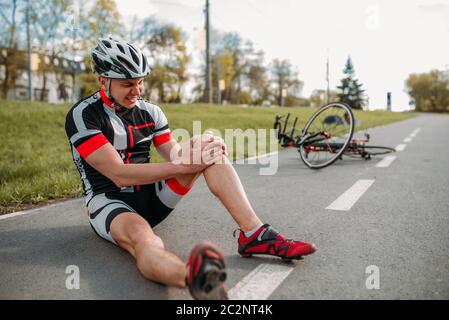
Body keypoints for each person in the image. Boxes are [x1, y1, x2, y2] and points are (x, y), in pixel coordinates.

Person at [65, 36, 317, 300]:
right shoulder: (83, 115)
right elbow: (118, 174)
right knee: (145, 241)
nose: (137, 91)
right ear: (102, 80)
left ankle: (255, 233)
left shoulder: (151, 112)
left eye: (140, 82)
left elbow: (175, 155)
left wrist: (205, 150)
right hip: (110, 203)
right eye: (128, 84)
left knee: (206, 145)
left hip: (153, 199)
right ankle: (192, 278)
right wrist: (183, 164)